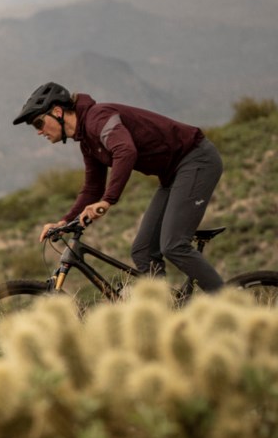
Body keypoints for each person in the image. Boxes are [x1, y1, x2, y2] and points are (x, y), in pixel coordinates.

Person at [14, 82, 223, 292]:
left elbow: (125, 150)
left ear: (57, 112)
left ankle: (231, 302)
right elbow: (92, 188)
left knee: (174, 245)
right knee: (143, 251)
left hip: (196, 160)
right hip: (172, 176)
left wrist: (107, 201)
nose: (39, 132)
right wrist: (64, 222)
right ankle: (164, 307)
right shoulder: (87, 140)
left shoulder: (98, 117)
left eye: (38, 123)